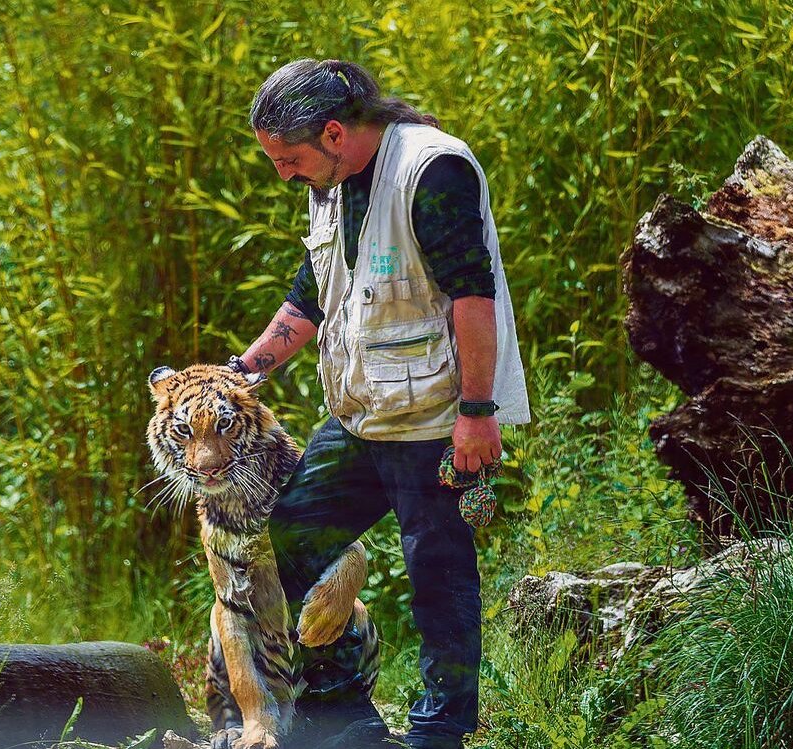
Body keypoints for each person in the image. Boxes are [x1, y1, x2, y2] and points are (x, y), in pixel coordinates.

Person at [227, 59, 531, 749]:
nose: (283, 174)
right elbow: (314, 291)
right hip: (359, 417)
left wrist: (477, 413)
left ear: (334, 132)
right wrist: (242, 372)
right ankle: (343, 712)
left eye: (288, 159)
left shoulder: (432, 168)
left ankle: (437, 733)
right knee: (289, 537)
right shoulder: (329, 181)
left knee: (438, 580)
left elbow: (471, 297)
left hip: (435, 420)